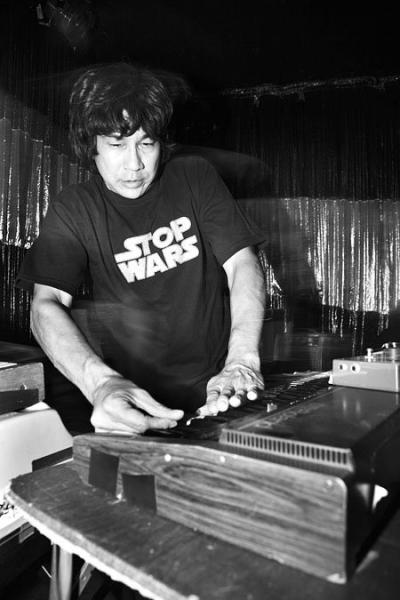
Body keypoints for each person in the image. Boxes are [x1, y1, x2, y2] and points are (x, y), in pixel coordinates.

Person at [16, 62, 266, 436]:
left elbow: (241, 263)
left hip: (219, 390)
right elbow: (45, 304)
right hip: (133, 404)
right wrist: (100, 383)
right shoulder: (75, 209)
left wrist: (242, 360)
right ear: (91, 146)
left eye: (146, 143)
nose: (134, 164)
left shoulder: (193, 177)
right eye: (117, 144)